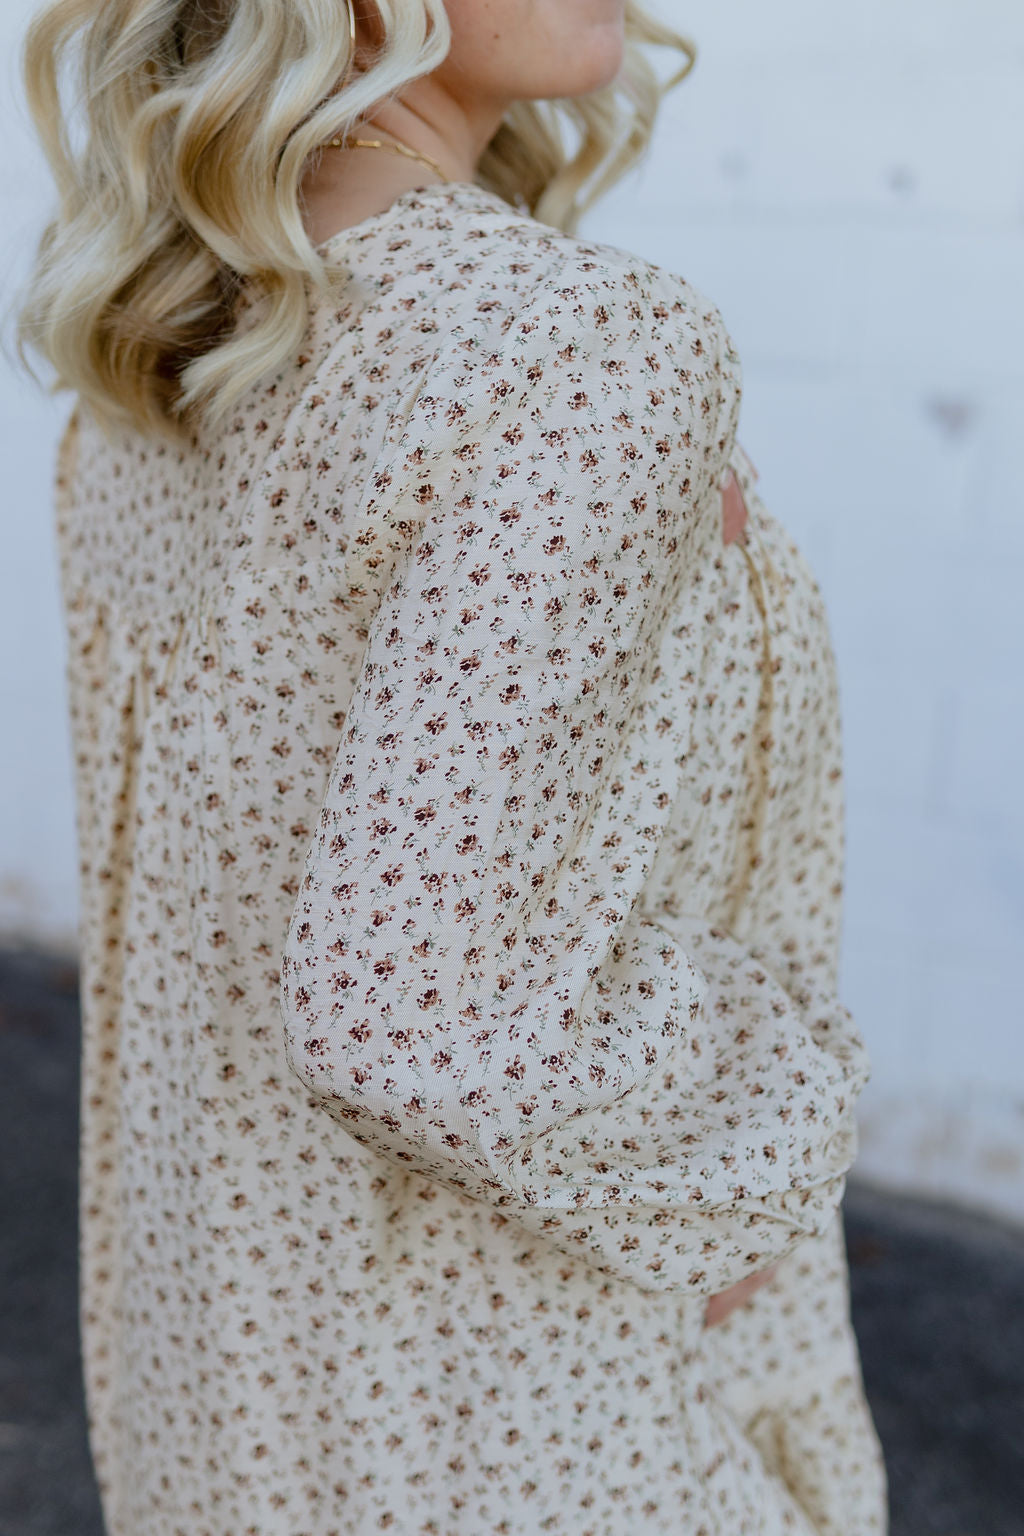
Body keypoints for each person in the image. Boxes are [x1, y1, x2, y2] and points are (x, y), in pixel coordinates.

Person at [13, 0, 889, 1530]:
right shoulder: (580, 351)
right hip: (526, 1408)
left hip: (216, 1381)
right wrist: (785, 1112)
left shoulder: (156, 354)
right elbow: (421, 1015)